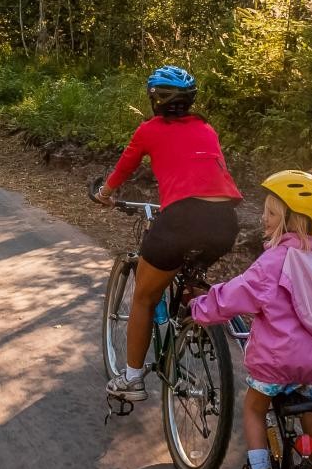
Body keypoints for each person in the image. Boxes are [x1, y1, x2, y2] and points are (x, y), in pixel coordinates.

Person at [188, 170, 312, 469]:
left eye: (271, 213)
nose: (263, 218)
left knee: (254, 407)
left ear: (292, 221)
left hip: (276, 364)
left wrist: (199, 308)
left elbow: (231, 296)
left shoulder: (273, 262)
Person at [94, 66, 242, 405]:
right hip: (225, 222)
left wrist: (106, 193)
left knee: (145, 298)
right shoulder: (206, 128)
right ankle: (195, 320)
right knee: (192, 271)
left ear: (154, 100)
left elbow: (123, 169)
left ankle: (131, 380)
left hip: (180, 219)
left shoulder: (149, 130)